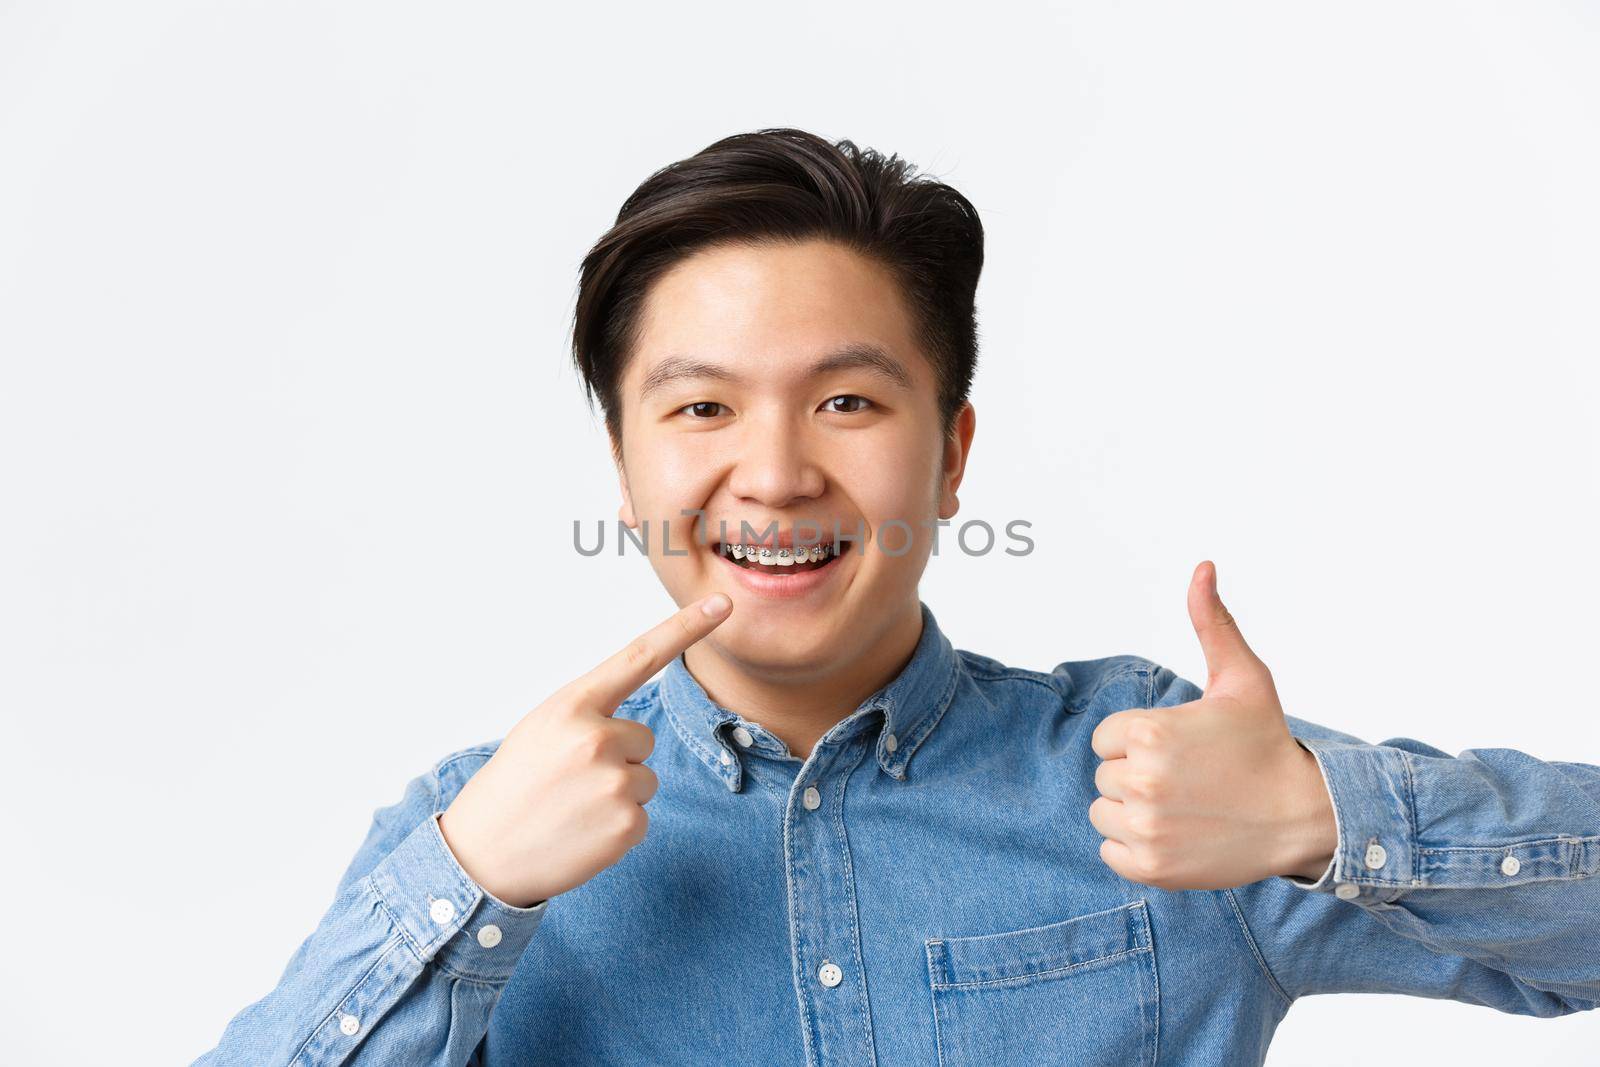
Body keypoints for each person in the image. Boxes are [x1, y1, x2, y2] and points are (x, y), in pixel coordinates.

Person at [193, 128, 1600, 1066]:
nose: (777, 472)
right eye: (699, 409)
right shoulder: (481, 822)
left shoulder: (1153, 780)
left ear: (953, 450)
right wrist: (469, 882)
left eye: (849, 399)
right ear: (623, 467)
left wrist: (1320, 816)